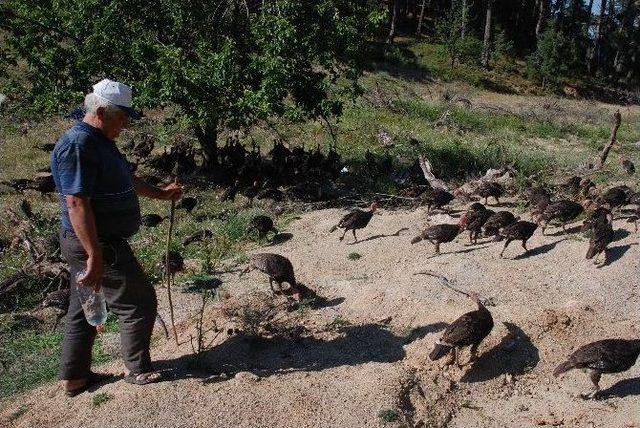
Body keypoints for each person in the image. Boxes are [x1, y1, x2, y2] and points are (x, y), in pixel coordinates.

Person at [50, 79, 183, 397]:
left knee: (84, 307)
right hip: (98, 244)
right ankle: (137, 369)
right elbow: (76, 202)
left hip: (96, 243)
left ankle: (75, 378)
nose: (126, 123)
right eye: (121, 116)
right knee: (138, 302)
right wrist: (94, 254)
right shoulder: (78, 145)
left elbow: (125, 176)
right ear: (100, 111)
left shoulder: (99, 140)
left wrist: (161, 195)